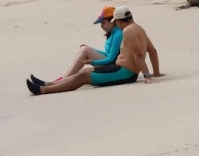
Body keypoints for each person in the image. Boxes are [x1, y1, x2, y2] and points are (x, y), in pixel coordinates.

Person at [25, 6, 164, 95]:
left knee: (84, 76)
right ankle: (49, 84)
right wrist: (156, 72)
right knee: (84, 71)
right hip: (120, 70)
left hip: (125, 74)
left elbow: (138, 56)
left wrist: (147, 76)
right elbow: (153, 51)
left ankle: (44, 90)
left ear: (119, 21)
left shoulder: (127, 31)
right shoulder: (139, 28)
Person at [29, 5, 124, 85]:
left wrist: (92, 61)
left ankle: (57, 82)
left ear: (112, 21)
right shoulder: (112, 33)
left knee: (85, 50)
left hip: (113, 66)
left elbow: (111, 58)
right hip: (109, 62)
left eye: (103, 23)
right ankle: (59, 81)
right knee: (84, 50)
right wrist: (91, 49)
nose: (101, 26)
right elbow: (108, 54)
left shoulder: (118, 34)